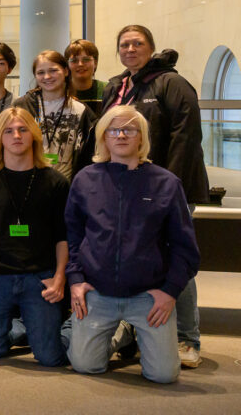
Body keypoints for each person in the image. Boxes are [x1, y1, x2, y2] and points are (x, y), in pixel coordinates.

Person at [66, 105, 201, 384]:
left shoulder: (166, 183)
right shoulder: (85, 180)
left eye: (130, 129)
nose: (121, 135)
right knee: (84, 365)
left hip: (148, 297)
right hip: (98, 294)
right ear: (104, 138)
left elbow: (184, 248)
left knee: (163, 375)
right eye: (114, 130)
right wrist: (76, 279)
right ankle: (123, 332)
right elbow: (73, 236)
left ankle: (132, 326)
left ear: (142, 137)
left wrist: (170, 292)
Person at [101, 24, 208, 368]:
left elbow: (185, 139)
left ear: (151, 47)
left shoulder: (171, 83)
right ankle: (137, 331)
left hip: (165, 191)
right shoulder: (118, 86)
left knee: (177, 258)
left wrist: (168, 188)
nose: (130, 49)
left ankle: (186, 338)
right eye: (124, 44)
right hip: (126, 188)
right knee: (139, 257)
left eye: (138, 43)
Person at [0, 107, 70, 367]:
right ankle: (27, 326)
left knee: (50, 357)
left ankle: (71, 327)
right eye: (9, 131)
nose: (16, 136)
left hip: (39, 278)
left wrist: (59, 278)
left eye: (23, 129)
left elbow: (63, 236)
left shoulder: (56, 182)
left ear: (34, 135)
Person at [11, 50, 97, 180]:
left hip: (66, 186)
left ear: (66, 71)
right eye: (41, 72)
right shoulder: (22, 106)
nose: (47, 77)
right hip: (26, 181)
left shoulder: (81, 110)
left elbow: (90, 152)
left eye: (53, 71)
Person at [66, 39, 108, 116]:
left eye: (86, 59)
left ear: (95, 63)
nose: (80, 64)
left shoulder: (108, 90)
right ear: (67, 65)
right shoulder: (61, 93)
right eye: (74, 60)